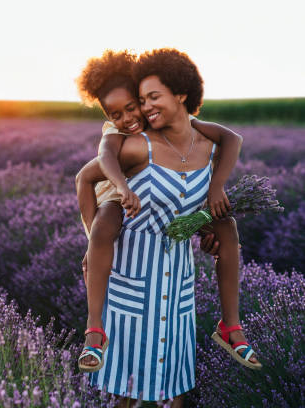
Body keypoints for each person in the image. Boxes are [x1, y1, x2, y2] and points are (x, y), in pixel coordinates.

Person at [74, 48, 260, 406]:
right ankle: (93, 329)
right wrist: (92, 243)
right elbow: (88, 174)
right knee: (124, 393)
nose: (138, 112)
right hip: (128, 262)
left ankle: (231, 325)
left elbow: (231, 140)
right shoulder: (128, 143)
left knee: (173, 389)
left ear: (181, 95)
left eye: (143, 102)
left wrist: (204, 218)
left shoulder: (203, 139)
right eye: (135, 104)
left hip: (176, 286)